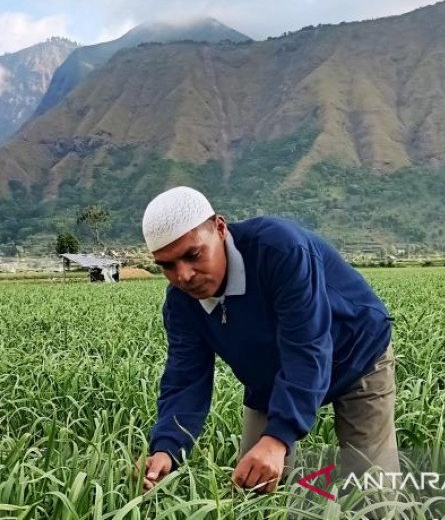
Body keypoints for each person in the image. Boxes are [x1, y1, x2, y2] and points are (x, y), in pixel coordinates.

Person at [134, 186, 399, 493]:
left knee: (372, 488)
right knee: (252, 488)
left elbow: (308, 346)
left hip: (355, 353)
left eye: (192, 255)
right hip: (270, 375)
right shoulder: (182, 303)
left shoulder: (279, 250)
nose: (183, 276)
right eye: (167, 265)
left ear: (220, 228)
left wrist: (278, 437)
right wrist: (167, 448)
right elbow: (185, 377)